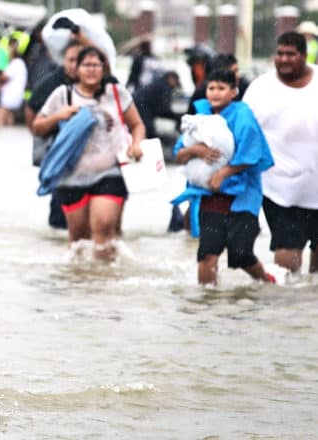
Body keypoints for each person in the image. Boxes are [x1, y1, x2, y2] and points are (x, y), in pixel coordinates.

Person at [32, 46, 145, 261]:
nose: (91, 70)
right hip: (71, 177)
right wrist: (59, 116)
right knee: (79, 241)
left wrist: (136, 144)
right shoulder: (62, 95)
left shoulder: (116, 93)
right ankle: (79, 287)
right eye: (86, 65)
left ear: (104, 68)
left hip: (110, 172)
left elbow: (137, 124)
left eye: (96, 65)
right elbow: (37, 127)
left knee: (103, 229)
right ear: (76, 69)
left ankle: (104, 283)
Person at [172, 69, 275, 285]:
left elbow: (253, 153)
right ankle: (207, 304)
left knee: (240, 254)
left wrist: (224, 173)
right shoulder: (199, 117)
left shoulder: (243, 117)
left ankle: (266, 281)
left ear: (233, 92)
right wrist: (196, 151)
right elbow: (179, 154)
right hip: (210, 197)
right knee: (207, 253)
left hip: (242, 196)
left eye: (221, 88)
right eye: (211, 88)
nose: (215, 93)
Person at [243, 31, 318, 274]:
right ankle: (286, 309)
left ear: (305, 56)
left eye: (291, 54)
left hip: (315, 184)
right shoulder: (260, 88)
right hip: (278, 187)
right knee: (287, 255)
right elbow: (242, 133)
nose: (284, 59)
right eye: (280, 53)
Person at [25, 40, 84, 229]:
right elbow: (31, 108)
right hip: (61, 156)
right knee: (60, 215)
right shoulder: (55, 84)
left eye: (79, 60)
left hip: (88, 162)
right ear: (63, 61)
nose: (75, 65)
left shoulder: (96, 84)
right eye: (71, 60)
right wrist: (41, 134)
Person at [133, 71, 181, 139]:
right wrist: (176, 117)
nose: (176, 84)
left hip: (138, 104)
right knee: (148, 131)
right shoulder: (165, 87)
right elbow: (164, 109)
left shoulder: (160, 83)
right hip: (142, 106)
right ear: (171, 78)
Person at [0, 38, 27, 126]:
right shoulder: (19, 63)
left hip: (11, 96)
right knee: (9, 116)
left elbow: (3, 78)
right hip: (15, 96)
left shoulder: (16, 63)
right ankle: (8, 134)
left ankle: (0, 134)